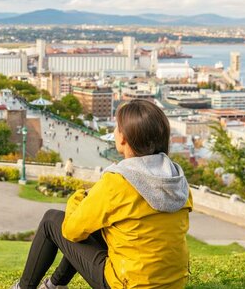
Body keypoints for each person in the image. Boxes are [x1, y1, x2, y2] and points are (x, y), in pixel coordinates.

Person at [11, 99, 192, 289]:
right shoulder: (176, 180)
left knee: (51, 220)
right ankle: (54, 285)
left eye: (116, 127)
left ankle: (23, 287)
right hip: (174, 282)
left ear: (123, 138)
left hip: (129, 284)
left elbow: (71, 231)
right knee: (98, 226)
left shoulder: (118, 182)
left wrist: (79, 197)